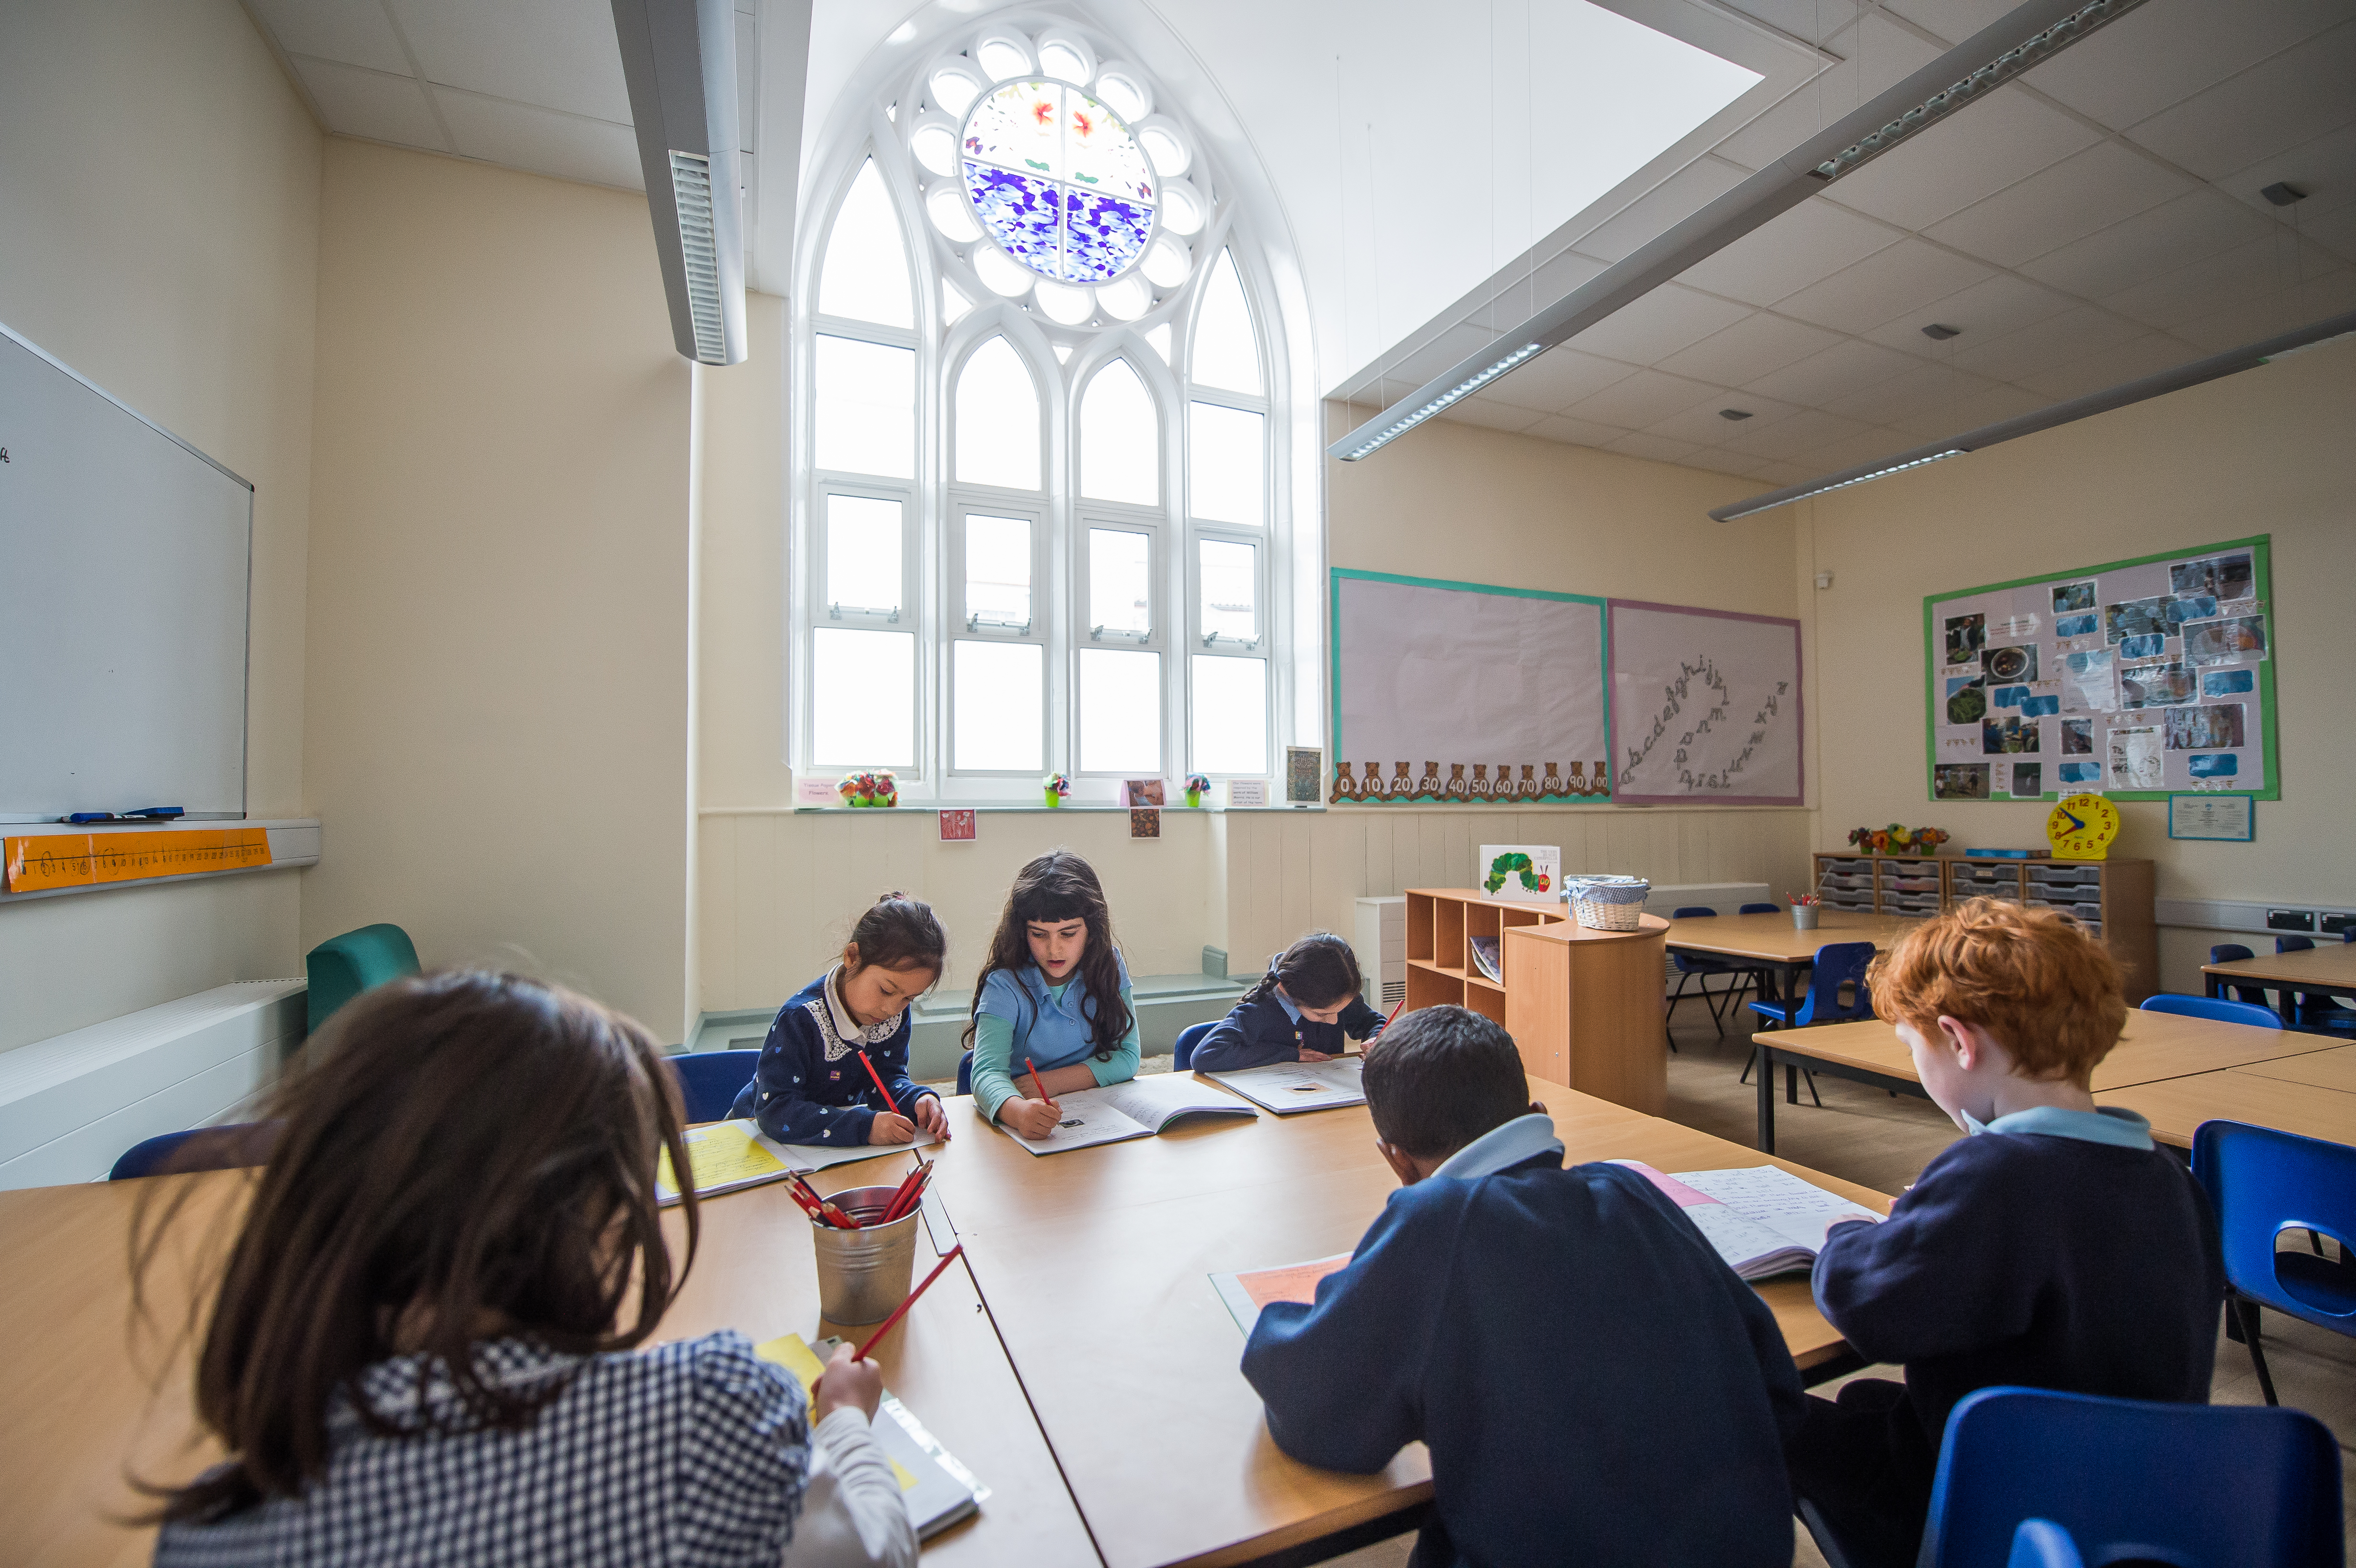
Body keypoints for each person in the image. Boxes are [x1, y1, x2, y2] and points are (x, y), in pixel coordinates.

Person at [144, 969, 917, 1568]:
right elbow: (871, 1552)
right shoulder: (713, 1415)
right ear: (594, 1213)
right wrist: (845, 1421)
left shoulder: (204, 1537)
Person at [1241, 1005, 1806, 1568]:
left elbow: (1317, 1415)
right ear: (1536, 1113)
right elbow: (1773, 1380)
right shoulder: (1631, 1189)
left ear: (1397, 1162)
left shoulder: (1438, 1219)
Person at [1787, 899, 2224, 1568]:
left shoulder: (1994, 1174)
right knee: (1868, 1404)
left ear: (1960, 1042)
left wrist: (1849, 1235)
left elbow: (1872, 1309)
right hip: (2135, 1495)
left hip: (1987, 1499)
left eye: (1914, 1047)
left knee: (1766, 1406)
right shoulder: (2169, 1176)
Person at [730, 894, 950, 1148]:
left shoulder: (893, 1014)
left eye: (909, 998)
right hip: (756, 1138)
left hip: (830, 1149)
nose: (892, 1009)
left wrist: (917, 1099)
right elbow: (776, 1110)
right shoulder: (800, 1019)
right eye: (887, 991)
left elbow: (886, 1078)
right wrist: (863, 1127)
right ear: (853, 957)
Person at [964, 851, 1139, 1138]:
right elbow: (986, 1073)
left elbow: (1129, 1056)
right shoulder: (1005, 984)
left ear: (1092, 930)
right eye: (1039, 934)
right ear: (1023, 932)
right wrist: (1018, 1112)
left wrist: (1051, 1082)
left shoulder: (1110, 964)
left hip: (1093, 1114)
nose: (1054, 950)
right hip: (1023, 1112)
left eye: (1068, 934)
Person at [1189, 933, 1386, 1073]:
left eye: (1340, 1011)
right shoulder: (1260, 1010)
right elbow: (1205, 1056)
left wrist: (1377, 1039)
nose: (1335, 1021)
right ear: (1286, 991)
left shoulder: (1338, 994)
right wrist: (1288, 1054)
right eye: (1321, 1014)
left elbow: (1373, 1022)